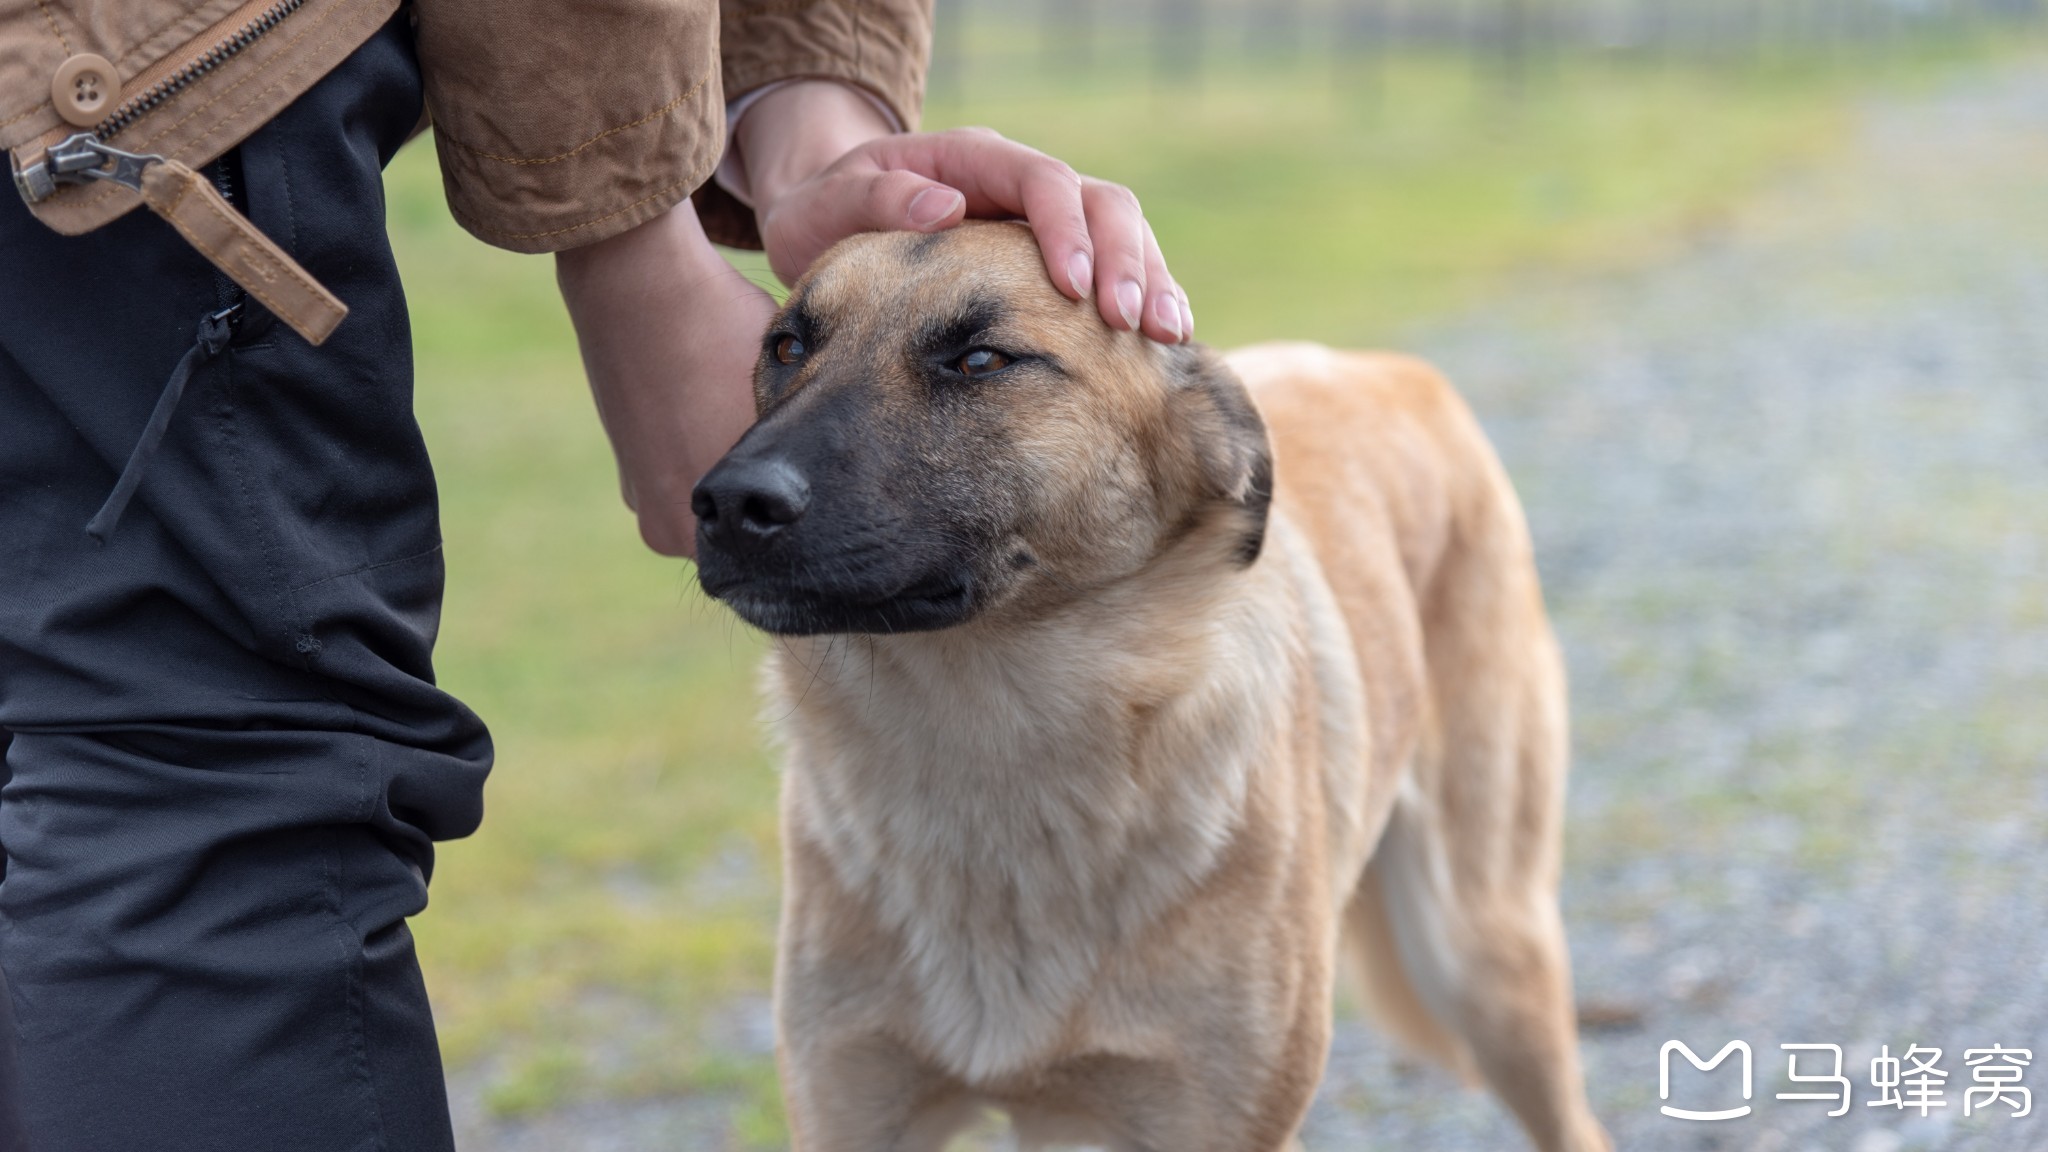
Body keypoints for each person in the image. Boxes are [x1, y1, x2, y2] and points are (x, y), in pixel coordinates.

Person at [0, 1, 1189, 1148]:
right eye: (794, 346)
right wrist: (632, 250)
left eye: (979, 360)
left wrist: (812, 115)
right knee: (222, 781)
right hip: (136, 81)